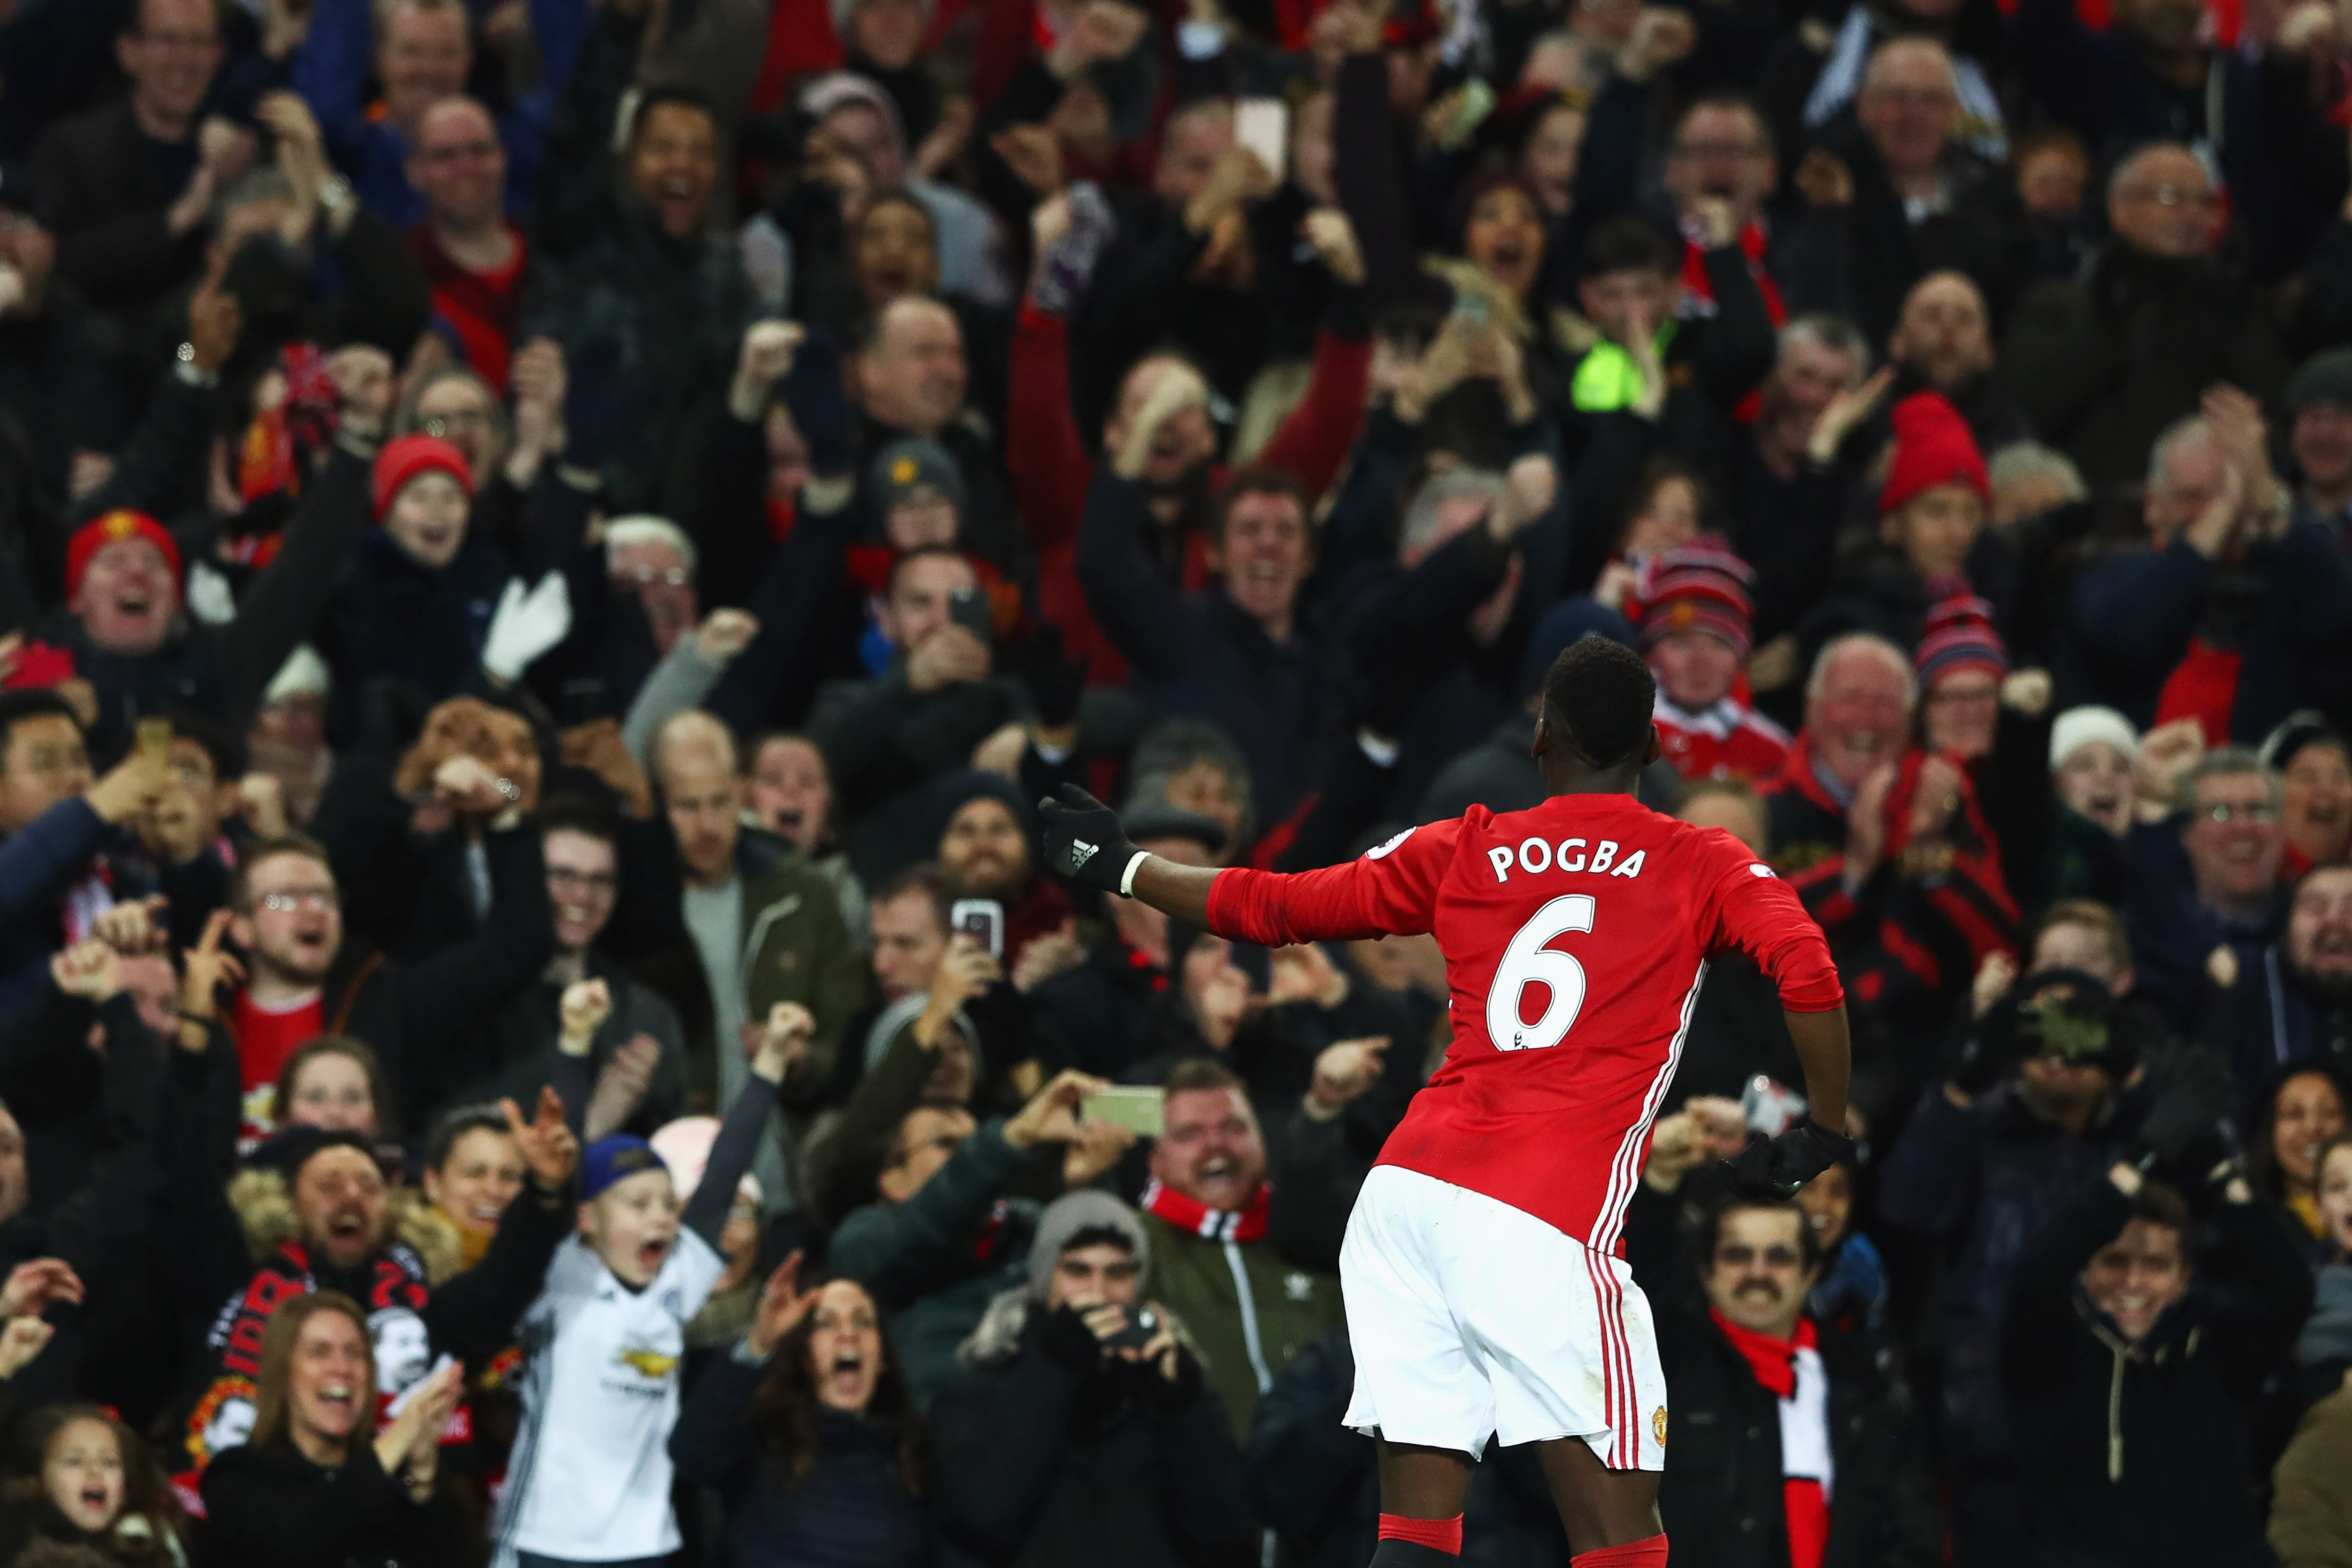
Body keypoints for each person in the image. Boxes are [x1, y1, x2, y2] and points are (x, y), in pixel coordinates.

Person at [1038, 636, 1853, 1564]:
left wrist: (1124, 866)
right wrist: (1824, 1126)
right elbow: (1809, 969)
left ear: (1540, 739)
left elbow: (1273, 905)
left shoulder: (1466, 845)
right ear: (1655, 749)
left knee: (1418, 1533)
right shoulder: (1700, 859)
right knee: (1621, 1542)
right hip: (1544, 1216)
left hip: (1406, 1198)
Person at [488, 1004, 807, 1568]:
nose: (661, 1217)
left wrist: (772, 1063)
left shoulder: (677, 1278)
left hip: (646, 1545)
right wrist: (575, 1042)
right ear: (588, 1219)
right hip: (545, 1539)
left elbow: (725, 1171)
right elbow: (564, 1155)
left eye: (666, 1204)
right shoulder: (564, 1270)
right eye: (638, 1204)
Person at [1618, 1161, 1939, 1568]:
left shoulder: (1868, 1386)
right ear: (1706, 1272)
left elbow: (1911, 1535)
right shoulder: (1666, 1369)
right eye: (1738, 1255)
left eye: (1780, 1257)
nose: (1758, 1273)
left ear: (1811, 1272)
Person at [2002, 1160, 2313, 1568]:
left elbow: (2290, 1286)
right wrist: (2130, 1170)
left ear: (2183, 1279)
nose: (2133, 1282)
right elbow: (2034, 1278)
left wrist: (2222, 1175)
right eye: (2114, 1261)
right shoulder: (2049, 1354)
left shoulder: (2219, 1349)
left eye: (2156, 1265)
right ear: (2085, 1271)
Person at [927, 1190, 1259, 1567]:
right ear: (1044, 1278)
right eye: (1077, 1271)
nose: (1099, 1293)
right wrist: (1056, 1369)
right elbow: (981, 1518)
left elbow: (1226, 1534)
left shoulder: (1169, 1386)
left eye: (1118, 1274)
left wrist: (1180, 1408)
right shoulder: (983, 1382)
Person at [668, 1265, 934, 1568]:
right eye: (826, 1324)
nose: (848, 1334)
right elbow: (692, 1454)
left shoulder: (915, 1455)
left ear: (882, 1357)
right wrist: (759, 1344)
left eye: (863, 1322)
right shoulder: (766, 1437)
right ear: (805, 1358)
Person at [198, 1291, 471, 1568]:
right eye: (319, 1352)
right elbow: (300, 1540)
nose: (342, 1368)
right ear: (282, 1374)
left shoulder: (394, 1479)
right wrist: (399, 1436)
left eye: (355, 1354)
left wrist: (422, 1471)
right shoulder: (236, 1477)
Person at [1635, 544, 1789, 783]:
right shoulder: (1622, 733)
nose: (1700, 661)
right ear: (1652, 654)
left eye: (1720, 645)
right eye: (1682, 644)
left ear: (1742, 660)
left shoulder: (1772, 752)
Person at [0, 1403, 186, 1564]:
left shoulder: (148, 1553)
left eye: (109, 1463)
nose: (95, 1471)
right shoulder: (16, 1548)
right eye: (75, 1461)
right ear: (37, 1480)